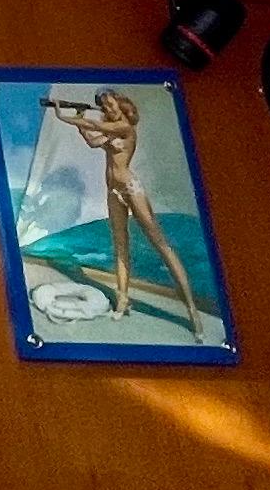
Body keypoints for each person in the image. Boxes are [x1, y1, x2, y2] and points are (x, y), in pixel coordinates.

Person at [44, 88, 205, 330]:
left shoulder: (125, 128)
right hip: (113, 190)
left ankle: (192, 309)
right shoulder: (110, 132)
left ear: (120, 104)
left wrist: (61, 114)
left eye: (111, 104)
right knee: (121, 246)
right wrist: (78, 121)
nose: (108, 109)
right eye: (105, 106)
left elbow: (94, 125)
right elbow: (92, 140)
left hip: (131, 187)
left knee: (160, 244)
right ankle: (122, 300)